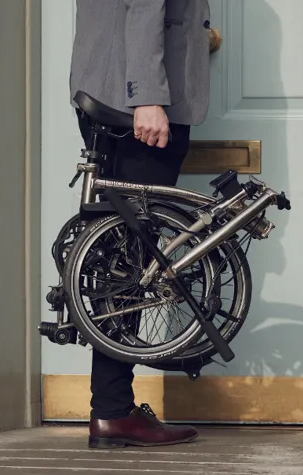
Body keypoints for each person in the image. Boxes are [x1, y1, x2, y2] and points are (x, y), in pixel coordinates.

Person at [69, 0, 213, 449]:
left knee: (121, 255)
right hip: (135, 102)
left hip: (111, 90)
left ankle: (112, 409)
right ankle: (112, 411)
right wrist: (147, 96)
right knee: (131, 262)